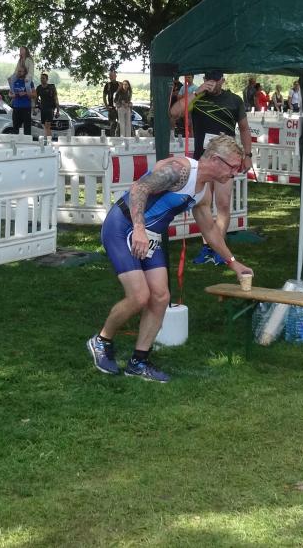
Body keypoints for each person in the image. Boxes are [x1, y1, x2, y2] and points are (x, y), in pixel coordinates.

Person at [87, 135, 254, 382]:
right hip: (123, 226)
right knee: (139, 296)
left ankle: (139, 361)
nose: (235, 173)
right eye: (233, 167)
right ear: (216, 160)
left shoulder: (203, 192)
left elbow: (209, 230)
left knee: (161, 297)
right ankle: (102, 341)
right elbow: (140, 188)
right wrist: (139, 228)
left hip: (149, 235)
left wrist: (233, 262)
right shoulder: (180, 171)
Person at [169, 69, 252, 265]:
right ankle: (207, 247)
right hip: (204, 161)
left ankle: (219, 249)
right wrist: (197, 92)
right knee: (203, 204)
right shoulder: (197, 97)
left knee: (223, 204)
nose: (212, 83)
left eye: (216, 80)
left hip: (227, 162)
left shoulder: (234, 100)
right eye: (208, 79)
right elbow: (174, 113)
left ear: (223, 80)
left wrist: (247, 155)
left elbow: (244, 128)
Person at [9, 65, 35, 136]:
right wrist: (13, 95)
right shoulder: (14, 81)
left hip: (26, 108)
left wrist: (25, 93)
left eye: (21, 71)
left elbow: (34, 94)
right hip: (16, 108)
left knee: (27, 129)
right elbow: (10, 94)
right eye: (18, 71)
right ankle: (16, 142)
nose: (19, 73)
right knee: (16, 128)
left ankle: (27, 142)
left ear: (25, 72)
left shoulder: (29, 82)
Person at [35, 72, 59, 139]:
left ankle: (49, 142)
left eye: (43, 78)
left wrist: (57, 111)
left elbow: (56, 99)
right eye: (41, 78)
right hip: (43, 109)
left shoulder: (51, 87)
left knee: (47, 126)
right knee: (45, 126)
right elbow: (35, 98)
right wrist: (35, 107)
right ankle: (47, 140)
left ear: (47, 79)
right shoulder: (39, 88)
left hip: (50, 109)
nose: (42, 79)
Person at [102, 69, 120, 135]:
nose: (111, 77)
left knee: (120, 124)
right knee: (112, 125)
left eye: (112, 76)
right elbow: (104, 96)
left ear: (116, 76)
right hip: (111, 108)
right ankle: (112, 138)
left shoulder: (120, 84)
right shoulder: (107, 85)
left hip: (119, 107)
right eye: (110, 76)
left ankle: (120, 137)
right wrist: (106, 106)